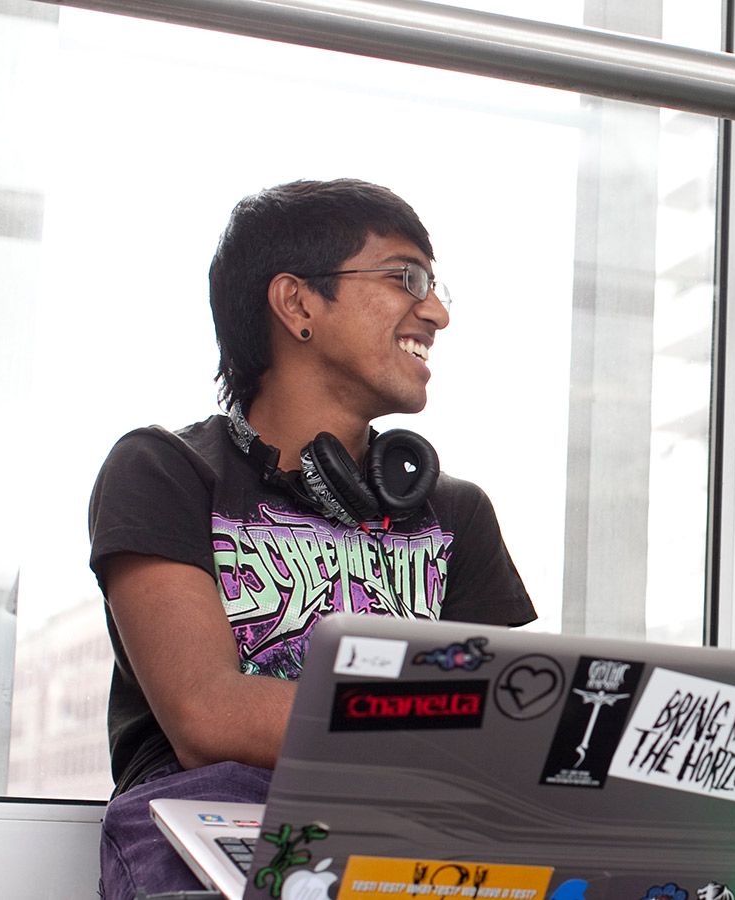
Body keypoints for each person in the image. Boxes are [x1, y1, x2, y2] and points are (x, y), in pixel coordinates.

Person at [89, 179, 536, 900]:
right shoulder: (163, 470)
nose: (437, 311)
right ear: (298, 303)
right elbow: (207, 714)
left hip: (414, 832)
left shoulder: (458, 513)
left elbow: (513, 723)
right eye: (404, 277)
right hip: (214, 817)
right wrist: (444, 728)